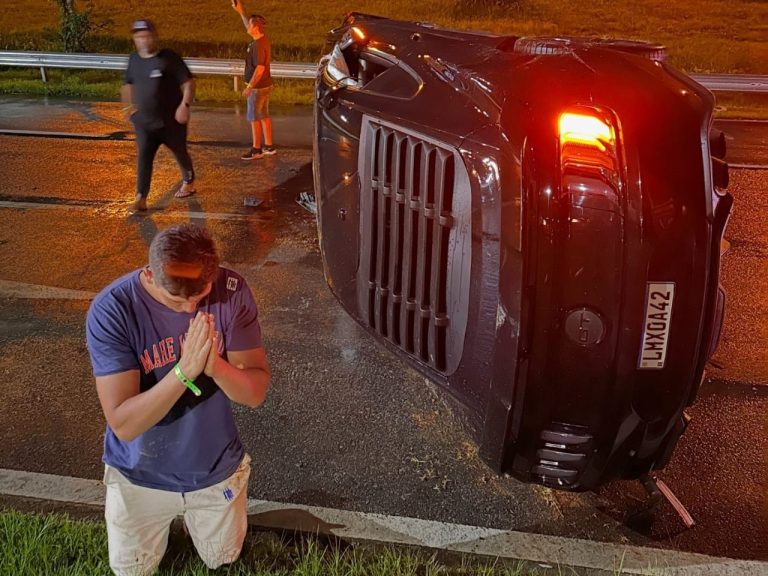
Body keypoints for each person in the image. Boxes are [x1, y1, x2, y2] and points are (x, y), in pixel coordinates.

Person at [86, 223, 271, 576]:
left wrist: (215, 367)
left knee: (224, 559)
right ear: (149, 276)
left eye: (199, 297)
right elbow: (124, 424)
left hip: (214, 468)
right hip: (137, 472)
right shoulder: (112, 309)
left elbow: (254, 393)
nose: (189, 310)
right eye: (176, 300)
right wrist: (183, 372)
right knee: (131, 570)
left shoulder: (231, 291)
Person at [122, 19, 197, 211]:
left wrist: (184, 105)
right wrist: (127, 108)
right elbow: (128, 84)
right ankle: (141, 197)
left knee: (180, 152)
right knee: (144, 158)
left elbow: (188, 83)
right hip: (145, 122)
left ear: (154, 36)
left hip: (171, 121)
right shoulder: (134, 59)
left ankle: (189, 180)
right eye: (138, 37)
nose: (142, 40)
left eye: (146, 36)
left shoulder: (168, 58)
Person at [231, 0, 276, 160]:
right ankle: (269, 146)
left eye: (250, 24)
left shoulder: (258, 45)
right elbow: (248, 25)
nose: (247, 27)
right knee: (263, 115)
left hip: (257, 88)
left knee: (254, 118)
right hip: (265, 85)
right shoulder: (262, 39)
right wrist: (241, 12)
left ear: (255, 27)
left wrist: (249, 86)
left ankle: (256, 149)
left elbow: (260, 68)